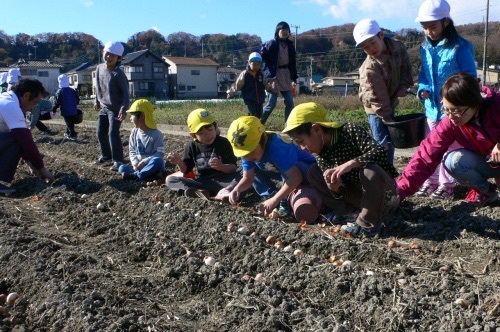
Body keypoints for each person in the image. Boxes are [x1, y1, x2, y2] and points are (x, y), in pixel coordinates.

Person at [282, 102, 399, 237]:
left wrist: (350, 164)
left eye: (301, 141)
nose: (302, 148)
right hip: (360, 197)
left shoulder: (351, 131)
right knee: (314, 172)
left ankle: (368, 224)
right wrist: (335, 188)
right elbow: (339, 193)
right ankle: (349, 214)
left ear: (317, 130)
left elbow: (379, 152)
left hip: (384, 195)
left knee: (370, 171)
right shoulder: (320, 155)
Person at [397, 72, 500, 206]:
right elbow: (425, 156)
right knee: (453, 161)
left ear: (475, 103)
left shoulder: (496, 105)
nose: (451, 116)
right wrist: (399, 191)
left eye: (457, 111)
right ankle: (487, 192)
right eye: (446, 109)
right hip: (489, 162)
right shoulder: (451, 122)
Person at [414, 0, 477, 200]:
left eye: (433, 27)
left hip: (452, 110)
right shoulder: (425, 49)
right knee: (430, 146)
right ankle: (430, 181)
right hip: (432, 108)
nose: (429, 32)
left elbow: (469, 77)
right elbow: (424, 74)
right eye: (425, 28)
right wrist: (422, 89)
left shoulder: (461, 47)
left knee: (450, 148)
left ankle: (446, 185)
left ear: (446, 22)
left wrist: (460, 101)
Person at [226, 115, 321, 223]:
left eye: (251, 151)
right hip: (284, 172)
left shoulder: (278, 147)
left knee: (288, 170)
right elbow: (248, 178)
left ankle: (283, 201)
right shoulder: (248, 151)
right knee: (255, 168)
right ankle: (271, 196)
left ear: (264, 139)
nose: (247, 156)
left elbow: (295, 177)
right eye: (244, 154)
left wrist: (276, 199)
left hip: (307, 171)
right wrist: (237, 189)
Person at [354, 18, 413, 164]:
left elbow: (406, 69)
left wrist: (403, 86)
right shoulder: (370, 68)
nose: (371, 49)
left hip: (390, 100)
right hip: (375, 107)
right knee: (381, 142)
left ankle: (388, 171)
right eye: (365, 47)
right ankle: (379, 174)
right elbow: (376, 96)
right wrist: (387, 118)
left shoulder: (398, 48)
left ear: (381, 35)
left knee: (391, 140)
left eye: (372, 43)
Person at [166, 109, 240, 199]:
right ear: (193, 135)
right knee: (171, 180)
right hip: (204, 181)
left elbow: (233, 168)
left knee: (244, 176)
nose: (207, 135)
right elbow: (186, 170)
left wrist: (221, 167)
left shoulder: (223, 142)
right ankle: (194, 192)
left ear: (216, 127)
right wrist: (179, 162)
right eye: (201, 133)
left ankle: (225, 192)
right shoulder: (191, 146)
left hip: (226, 180)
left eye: (210, 130)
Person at [0, 79, 55, 195]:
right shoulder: (11, 106)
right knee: (16, 137)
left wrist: (30, 162)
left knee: (15, 137)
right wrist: (41, 169)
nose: (33, 108)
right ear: (26, 95)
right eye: (35, 103)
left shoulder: (7, 98)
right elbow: (26, 141)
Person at [94, 40, 130, 171]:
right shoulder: (99, 68)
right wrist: (97, 100)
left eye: (113, 56)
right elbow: (97, 85)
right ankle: (106, 155)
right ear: (103, 53)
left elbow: (126, 94)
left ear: (119, 58)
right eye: (107, 54)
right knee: (100, 133)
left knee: (113, 133)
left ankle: (118, 160)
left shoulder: (119, 74)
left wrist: (123, 109)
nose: (109, 57)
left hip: (115, 109)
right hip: (104, 107)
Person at [118, 99, 165, 182]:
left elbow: (160, 154)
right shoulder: (134, 132)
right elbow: (132, 151)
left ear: (142, 116)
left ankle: (137, 176)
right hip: (138, 167)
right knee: (122, 167)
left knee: (158, 161)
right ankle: (144, 175)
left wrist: (145, 162)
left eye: (132, 115)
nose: (130, 118)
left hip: (151, 164)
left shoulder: (156, 134)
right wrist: (135, 164)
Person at [260, 21, 298, 124]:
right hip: (274, 76)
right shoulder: (271, 43)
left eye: (287, 30)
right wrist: (266, 75)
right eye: (282, 30)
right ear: (277, 31)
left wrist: (294, 77)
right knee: (271, 103)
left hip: (286, 75)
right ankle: (259, 123)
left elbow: (293, 62)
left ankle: (288, 126)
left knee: (290, 103)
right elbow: (262, 58)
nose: (285, 32)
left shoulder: (290, 45)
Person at [227, 52, 268, 119]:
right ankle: (251, 128)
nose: (256, 67)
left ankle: (257, 128)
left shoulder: (261, 74)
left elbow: (266, 83)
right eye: (254, 65)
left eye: (258, 65)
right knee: (252, 115)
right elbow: (237, 84)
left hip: (259, 99)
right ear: (249, 63)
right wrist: (230, 92)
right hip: (249, 99)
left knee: (259, 114)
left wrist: (272, 88)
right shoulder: (245, 74)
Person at [52, 74, 80, 140]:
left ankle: (72, 135)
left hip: (65, 110)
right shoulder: (72, 90)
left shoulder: (60, 91)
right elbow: (78, 100)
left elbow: (57, 102)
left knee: (69, 123)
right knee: (70, 122)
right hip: (73, 110)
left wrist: (54, 109)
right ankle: (67, 133)